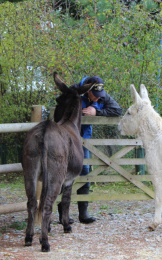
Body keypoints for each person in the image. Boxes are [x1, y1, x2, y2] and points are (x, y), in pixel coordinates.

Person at [58, 76, 122, 224]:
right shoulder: (73, 92)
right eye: (94, 96)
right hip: (65, 139)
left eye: (99, 96)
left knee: (85, 171)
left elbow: (117, 110)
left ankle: (83, 213)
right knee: (63, 172)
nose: (97, 98)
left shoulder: (101, 95)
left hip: (84, 141)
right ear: (87, 91)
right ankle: (63, 213)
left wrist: (96, 112)